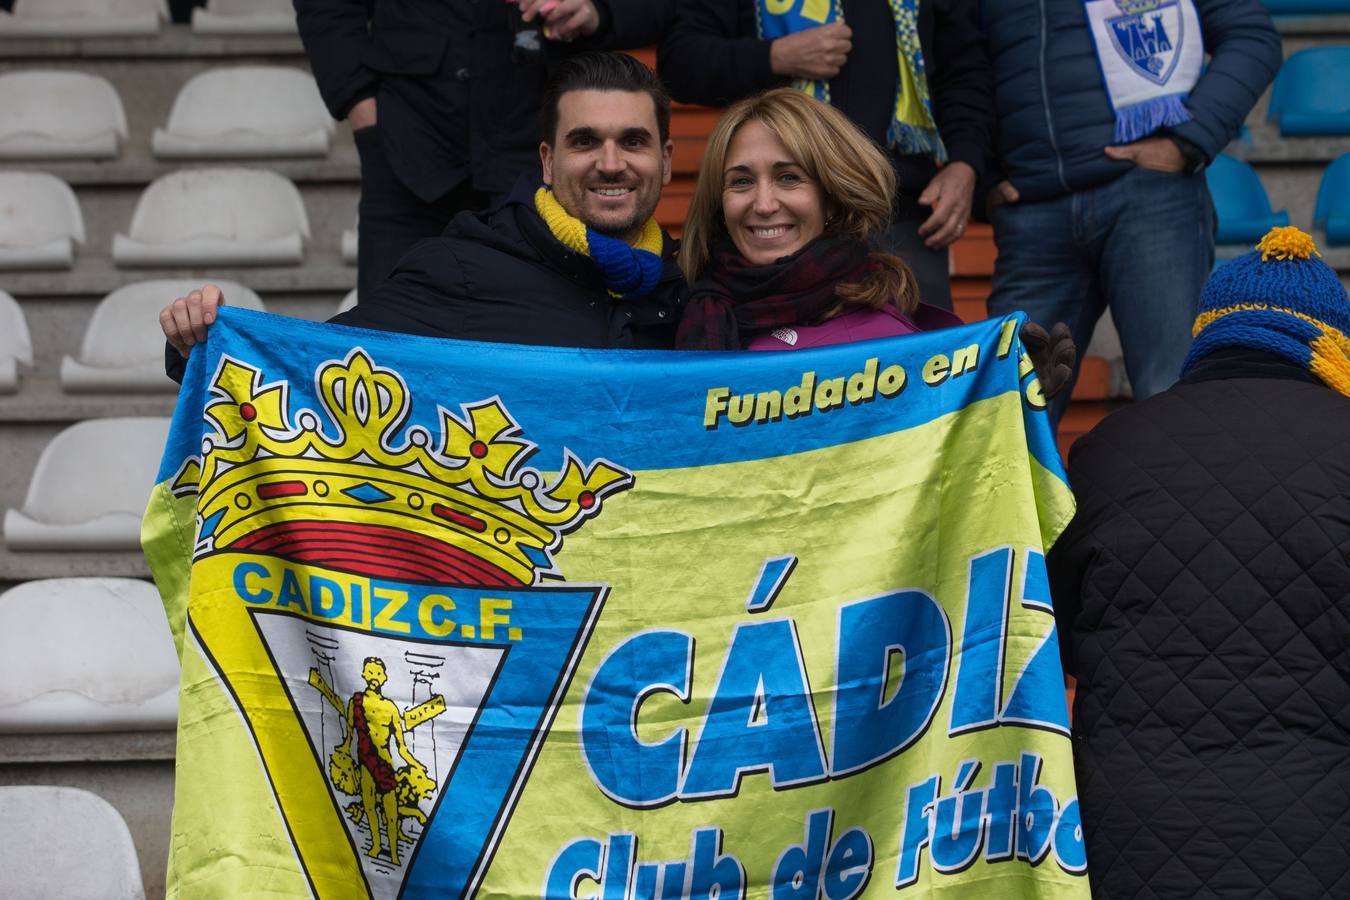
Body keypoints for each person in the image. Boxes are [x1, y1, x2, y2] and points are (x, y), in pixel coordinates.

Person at [1047, 227, 1350, 898]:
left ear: (1208, 332)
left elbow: (1057, 638)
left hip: (1125, 833)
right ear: (1331, 347)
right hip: (1320, 833)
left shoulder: (1108, 446)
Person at [161, 51, 687, 376]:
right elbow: (314, 365)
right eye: (585, 141)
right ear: (547, 162)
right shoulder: (463, 268)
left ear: (665, 162)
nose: (611, 163)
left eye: (633, 141)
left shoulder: (697, 282)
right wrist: (199, 345)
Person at [980, 0, 1282, 425]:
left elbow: (1253, 36)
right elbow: (961, 65)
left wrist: (1186, 141)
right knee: (1007, 417)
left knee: (1175, 400)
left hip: (1151, 197)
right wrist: (987, 176)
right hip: (1032, 211)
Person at [675, 87, 1074, 393]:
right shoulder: (674, 311)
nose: (763, 204)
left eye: (789, 177)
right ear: (718, 201)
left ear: (831, 196)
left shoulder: (894, 341)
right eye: (741, 181)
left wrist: (999, 401)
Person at [293, 0, 676, 298]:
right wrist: (358, 101)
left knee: (543, 346)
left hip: (540, 148)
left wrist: (598, 10)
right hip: (407, 145)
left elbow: (663, 9)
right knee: (387, 349)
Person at [658, 0, 995, 311]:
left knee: (919, 364)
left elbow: (963, 67)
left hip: (901, 215)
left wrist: (965, 161)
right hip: (774, 217)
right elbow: (681, 60)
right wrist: (772, 57)